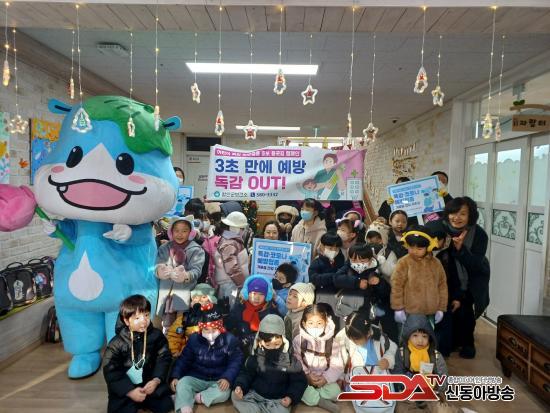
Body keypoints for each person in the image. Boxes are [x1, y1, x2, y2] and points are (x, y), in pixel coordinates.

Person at [103, 295, 172, 413]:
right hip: (125, 387)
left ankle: (145, 401)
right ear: (126, 321)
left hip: (148, 383)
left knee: (165, 405)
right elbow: (111, 371)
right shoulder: (116, 343)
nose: (144, 321)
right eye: (137, 318)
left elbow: (163, 357)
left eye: (146, 315)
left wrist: (156, 380)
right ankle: (133, 400)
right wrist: (129, 391)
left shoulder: (156, 336)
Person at [170, 306, 244, 413]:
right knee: (182, 383)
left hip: (218, 379)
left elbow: (235, 362)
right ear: (201, 328)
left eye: (214, 329)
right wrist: (176, 376)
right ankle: (184, 409)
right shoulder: (194, 339)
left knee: (225, 393)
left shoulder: (230, 340)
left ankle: (194, 397)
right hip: (196, 376)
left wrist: (227, 378)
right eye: (206, 329)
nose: (210, 333)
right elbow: (184, 360)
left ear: (220, 328)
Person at [231, 314, 308, 413]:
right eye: (268, 345)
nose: (272, 348)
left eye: (276, 344)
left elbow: (299, 381)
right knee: (235, 395)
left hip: (277, 400)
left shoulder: (290, 360)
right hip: (255, 395)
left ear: (283, 340)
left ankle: (258, 410)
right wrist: (240, 386)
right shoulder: (255, 356)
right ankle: (256, 409)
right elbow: (246, 374)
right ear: (259, 342)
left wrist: (290, 397)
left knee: (282, 411)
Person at [443, 197, 490, 359]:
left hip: (472, 278)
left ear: (470, 216)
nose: (457, 217)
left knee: (465, 311)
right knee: (449, 311)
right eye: (453, 213)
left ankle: (468, 342)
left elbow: (475, 264)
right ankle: (452, 340)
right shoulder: (442, 229)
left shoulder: (479, 234)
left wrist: (460, 248)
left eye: (462, 214)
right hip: (448, 278)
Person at [333, 244, 397, 342]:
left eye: (362, 261)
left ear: (370, 260)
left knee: (367, 337)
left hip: (368, 314)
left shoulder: (374, 271)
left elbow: (386, 292)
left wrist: (379, 283)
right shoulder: (347, 268)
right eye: (354, 260)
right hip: (348, 310)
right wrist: (356, 282)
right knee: (347, 336)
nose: (358, 263)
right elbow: (336, 279)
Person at [391, 226, 448, 329]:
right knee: (409, 335)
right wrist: (398, 307)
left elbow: (442, 286)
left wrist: (441, 308)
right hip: (409, 312)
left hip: (431, 311)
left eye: (419, 248)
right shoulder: (403, 262)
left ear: (428, 247)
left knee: (427, 335)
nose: (415, 251)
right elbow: (396, 286)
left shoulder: (436, 263)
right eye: (411, 247)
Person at [155, 217, 205, 332]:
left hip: (184, 295)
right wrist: (160, 271)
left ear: (190, 232)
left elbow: (196, 270)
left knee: (180, 326)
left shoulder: (196, 250)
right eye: (176, 230)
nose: (180, 234)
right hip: (164, 294)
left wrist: (186, 276)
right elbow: (157, 264)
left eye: (184, 231)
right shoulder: (164, 248)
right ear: (171, 232)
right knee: (163, 326)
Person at [293, 304, 343, 413]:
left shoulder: (332, 342)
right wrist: (307, 375)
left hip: (323, 380)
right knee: (298, 387)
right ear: (304, 324)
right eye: (311, 323)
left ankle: (312, 397)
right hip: (305, 379)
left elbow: (337, 365)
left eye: (319, 323)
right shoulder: (298, 340)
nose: (315, 327)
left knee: (335, 392)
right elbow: (297, 360)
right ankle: (320, 401)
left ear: (326, 323)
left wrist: (325, 379)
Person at [393, 314, 448, 411]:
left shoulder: (435, 355)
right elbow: (396, 374)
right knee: (400, 409)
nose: (420, 340)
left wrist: (435, 384)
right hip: (408, 395)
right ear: (408, 336)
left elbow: (444, 379)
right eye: (415, 335)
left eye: (424, 336)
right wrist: (410, 383)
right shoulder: (402, 353)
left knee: (444, 410)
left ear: (430, 337)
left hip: (431, 395)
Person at [425, 220, 461, 357]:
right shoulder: (420, 254)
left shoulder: (448, 255)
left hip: (445, 299)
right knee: (427, 327)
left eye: (439, 239)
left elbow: (455, 278)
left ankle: (443, 353)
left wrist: (456, 297)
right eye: (432, 238)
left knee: (444, 326)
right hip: (425, 301)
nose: (436, 242)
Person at [336, 311, 397, 391]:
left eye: (356, 339)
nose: (353, 341)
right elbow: (339, 361)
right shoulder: (343, 338)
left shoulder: (378, 335)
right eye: (351, 338)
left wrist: (387, 360)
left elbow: (392, 347)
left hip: (379, 378)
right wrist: (340, 378)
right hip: (356, 380)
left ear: (368, 334)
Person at [226, 275, 280, 356]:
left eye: (261, 294)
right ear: (246, 293)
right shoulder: (240, 307)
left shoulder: (271, 311)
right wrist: (224, 315)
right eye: (253, 293)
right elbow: (228, 326)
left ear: (267, 295)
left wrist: (251, 338)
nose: (256, 298)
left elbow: (273, 334)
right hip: (239, 347)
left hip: (261, 351)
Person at [214, 211, 250, 307]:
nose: (244, 231)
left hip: (231, 283)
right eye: (242, 228)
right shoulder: (229, 243)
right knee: (230, 309)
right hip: (231, 284)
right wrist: (242, 284)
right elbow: (232, 268)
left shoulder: (231, 241)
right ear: (235, 228)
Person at [309, 233, 345, 317]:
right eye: (330, 248)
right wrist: (333, 276)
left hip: (337, 298)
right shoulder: (316, 262)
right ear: (322, 246)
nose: (334, 251)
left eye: (337, 249)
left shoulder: (341, 260)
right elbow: (313, 278)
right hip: (321, 298)